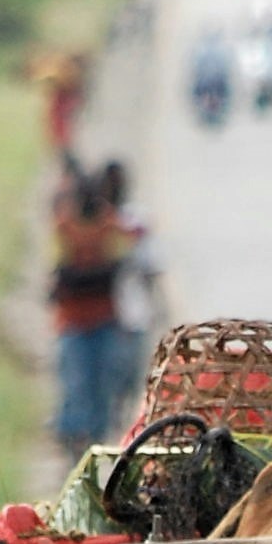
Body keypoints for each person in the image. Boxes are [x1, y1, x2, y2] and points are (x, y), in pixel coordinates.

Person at [48, 175, 132, 462]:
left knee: (102, 385)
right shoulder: (63, 227)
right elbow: (61, 271)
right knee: (76, 385)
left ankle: (94, 444)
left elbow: (119, 263)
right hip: (73, 322)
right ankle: (73, 441)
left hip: (103, 321)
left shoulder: (109, 225)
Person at [97, 159, 159, 424]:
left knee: (130, 382)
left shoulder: (134, 221)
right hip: (107, 316)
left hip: (133, 314)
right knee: (108, 381)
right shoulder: (96, 222)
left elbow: (150, 268)